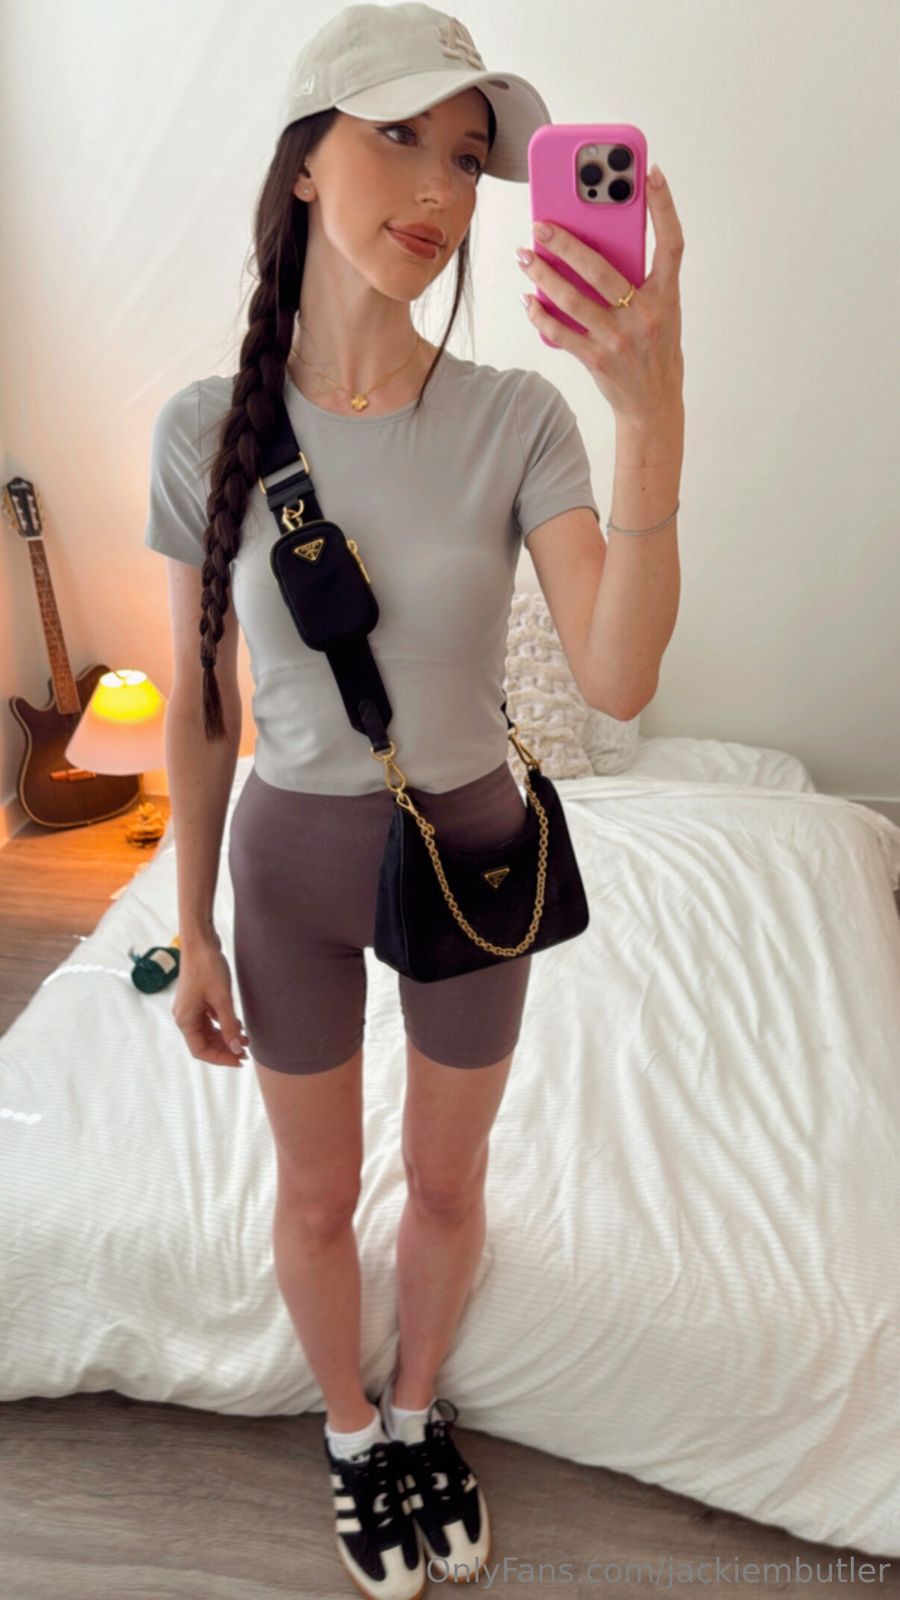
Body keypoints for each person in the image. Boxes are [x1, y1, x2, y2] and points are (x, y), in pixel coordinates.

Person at [143, 5, 602, 1595]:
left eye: (467, 157)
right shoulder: (206, 430)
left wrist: (654, 390)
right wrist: (190, 928)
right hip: (290, 866)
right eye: (399, 135)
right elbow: (201, 702)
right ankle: (351, 1438)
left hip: (472, 849)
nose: (440, 187)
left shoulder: (518, 417)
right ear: (303, 160)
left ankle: (419, 1411)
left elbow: (619, 669)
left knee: (452, 1180)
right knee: (320, 1191)